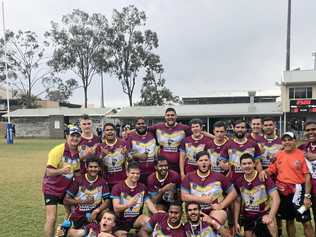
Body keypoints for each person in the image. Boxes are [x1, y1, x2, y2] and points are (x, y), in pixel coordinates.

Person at [262, 132, 315, 237]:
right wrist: (265, 172)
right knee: (289, 221)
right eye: (284, 140)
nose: (287, 142)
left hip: (299, 192)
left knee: (306, 222)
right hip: (283, 192)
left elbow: (307, 177)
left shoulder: (301, 154)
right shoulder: (279, 154)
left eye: (289, 139)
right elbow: (272, 169)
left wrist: (307, 196)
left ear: (295, 140)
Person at [42, 126, 81, 237]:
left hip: (66, 189)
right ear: (67, 136)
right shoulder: (58, 150)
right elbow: (49, 171)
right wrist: (61, 171)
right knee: (52, 218)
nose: (75, 138)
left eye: (77, 136)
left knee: (71, 213)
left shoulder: (77, 153)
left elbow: (77, 174)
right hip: (51, 188)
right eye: (72, 136)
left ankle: (61, 234)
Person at [234, 153, 280, 237]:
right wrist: (236, 221)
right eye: (244, 164)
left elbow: (276, 199)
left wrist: (270, 216)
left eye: (249, 163)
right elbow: (237, 201)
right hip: (248, 216)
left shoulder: (263, 177)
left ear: (254, 164)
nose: (247, 166)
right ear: (240, 166)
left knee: (271, 224)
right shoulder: (238, 181)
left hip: (264, 214)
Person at [64, 157, 111, 237]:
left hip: (94, 214)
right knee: (74, 233)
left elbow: (107, 201)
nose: (93, 169)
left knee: (107, 214)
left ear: (99, 168)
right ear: (86, 167)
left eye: (95, 167)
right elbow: (66, 200)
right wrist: (83, 201)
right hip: (78, 214)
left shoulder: (102, 182)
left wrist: (97, 210)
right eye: (91, 167)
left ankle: (95, 231)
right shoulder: (79, 180)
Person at [181, 151, 237, 216]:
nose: (203, 162)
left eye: (206, 160)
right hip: (195, 211)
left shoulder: (219, 176)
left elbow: (233, 193)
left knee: (218, 215)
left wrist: (221, 205)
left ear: (210, 162)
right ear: (196, 163)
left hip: (214, 211)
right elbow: (184, 196)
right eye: (201, 160)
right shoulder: (189, 176)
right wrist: (202, 199)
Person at [111, 161, 158, 234]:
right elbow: (116, 208)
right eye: (132, 173)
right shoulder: (118, 187)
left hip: (136, 219)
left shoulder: (142, 187)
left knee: (150, 222)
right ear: (127, 173)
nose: (135, 175)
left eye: (137, 173)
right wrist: (129, 204)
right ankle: (133, 233)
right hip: (120, 222)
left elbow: (149, 203)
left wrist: (157, 214)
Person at [149, 107, 191, 172]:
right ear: (165, 117)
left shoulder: (184, 128)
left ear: (176, 116)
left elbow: (199, 132)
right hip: (162, 163)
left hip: (177, 163)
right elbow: (143, 129)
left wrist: (212, 137)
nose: (170, 117)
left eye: (172, 115)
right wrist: (128, 132)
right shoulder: (158, 127)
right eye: (168, 115)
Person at [96, 123, 129, 190]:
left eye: (112, 129)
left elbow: (130, 160)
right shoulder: (100, 146)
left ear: (115, 131)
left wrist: (126, 154)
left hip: (122, 180)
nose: (110, 131)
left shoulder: (123, 143)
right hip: (107, 181)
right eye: (107, 130)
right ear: (104, 132)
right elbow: (97, 164)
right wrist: (102, 155)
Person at [126, 117, 157, 184]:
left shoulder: (152, 134)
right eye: (138, 124)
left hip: (153, 171)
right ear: (135, 126)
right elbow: (127, 153)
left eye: (143, 123)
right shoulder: (131, 136)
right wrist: (137, 156)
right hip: (138, 173)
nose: (141, 125)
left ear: (146, 125)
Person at [299, 120, 316, 230]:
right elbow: (288, 149)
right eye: (308, 130)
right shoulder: (303, 147)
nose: (311, 132)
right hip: (309, 190)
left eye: (313, 129)